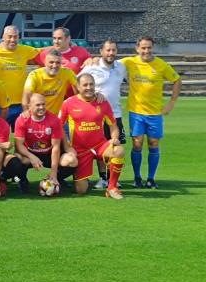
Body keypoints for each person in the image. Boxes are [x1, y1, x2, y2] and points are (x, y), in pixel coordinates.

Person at [120, 36, 181, 189]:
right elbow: (109, 63)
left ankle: (151, 178)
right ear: (137, 48)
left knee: (153, 143)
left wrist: (171, 103)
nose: (146, 51)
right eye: (143, 48)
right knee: (137, 144)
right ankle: (137, 177)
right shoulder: (130, 62)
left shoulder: (160, 65)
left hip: (155, 113)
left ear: (152, 48)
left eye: (149, 48)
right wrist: (92, 61)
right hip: (136, 111)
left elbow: (177, 80)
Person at [59, 73, 126, 198]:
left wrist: (115, 138)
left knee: (119, 151)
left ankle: (112, 187)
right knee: (81, 191)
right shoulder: (68, 103)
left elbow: (113, 126)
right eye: (85, 85)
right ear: (78, 87)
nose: (89, 87)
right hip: (80, 150)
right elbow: (59, 126)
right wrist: (67, 146)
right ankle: (82, 179)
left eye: (91, 84)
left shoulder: (103, 102)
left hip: (99, 145)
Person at [79, 40, 127, 189]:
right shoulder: (92, 66)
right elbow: (78, 82)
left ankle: (111, 179)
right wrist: (92, 96)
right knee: (100, 145)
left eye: (113, 50)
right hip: (97, 115)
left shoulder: (121, 67)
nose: (111, 53)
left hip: (115, 114)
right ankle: (103, 178)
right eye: (108, 50)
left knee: (114, 146)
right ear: (101, 51)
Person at [14, 94, 78, 192]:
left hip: (49, 153)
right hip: (30, 154)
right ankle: (23, 181)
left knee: (72, 160)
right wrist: (32, 157)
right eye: (38, 105)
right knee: (17, 159)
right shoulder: (22, 120)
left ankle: (55, 179)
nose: (41, 107)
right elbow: (19, 145)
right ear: (29, 106)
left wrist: (53, 172)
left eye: (43, 104)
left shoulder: (54, 119)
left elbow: (56, 147)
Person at [0, 26, 40, 126]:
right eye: (9, 36)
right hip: (0, 105)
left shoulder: (24, 50)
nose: (12, 40)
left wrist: (68, 45)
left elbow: (42, 51)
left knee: (22, 137)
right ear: (3, 36)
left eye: (15, 37)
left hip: (20, 104)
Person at [22, 49, 77, 116]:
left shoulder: (67, 72)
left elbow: (78, 87)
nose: (54, 65)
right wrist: (26, 111)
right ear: (45, 62)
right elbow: (26, 94)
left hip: (56, 117)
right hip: (38, 116)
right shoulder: (35, 75)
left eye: (58, 63)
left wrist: (78, 103)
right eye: (51, 62)